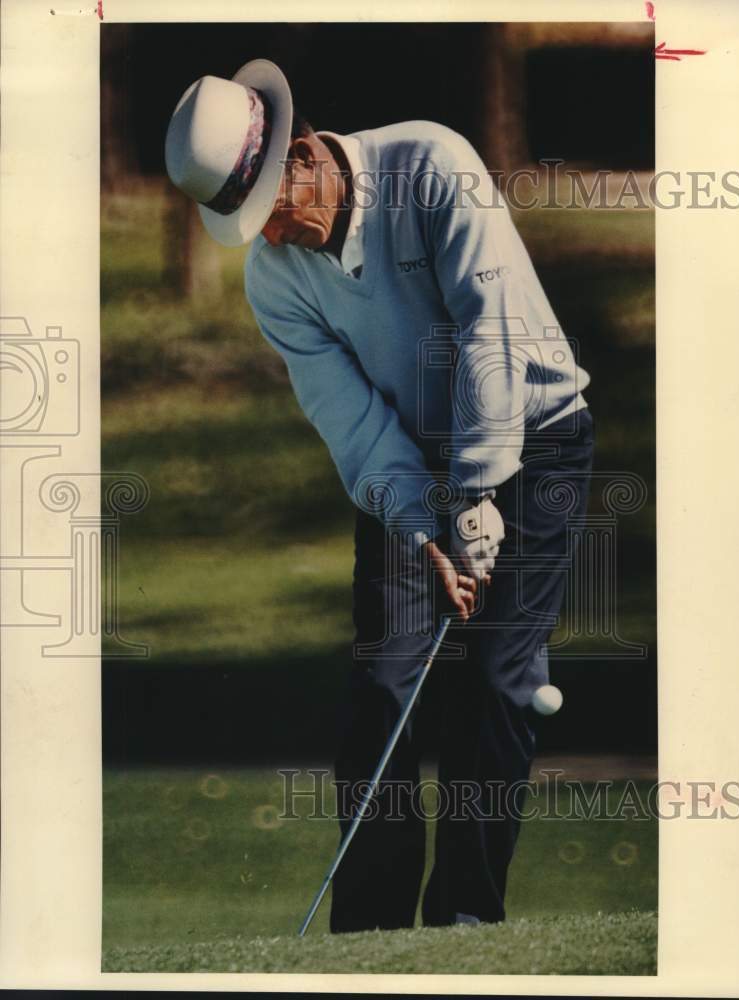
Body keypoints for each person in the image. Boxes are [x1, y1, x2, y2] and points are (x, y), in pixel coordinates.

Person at [165, 59, 594, 933]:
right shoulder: (273, 278)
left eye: (273, 212)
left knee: (495, 680)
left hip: (538, 436)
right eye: (250, 226)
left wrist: (479, 492)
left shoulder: (431, 166)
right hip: (405, 462)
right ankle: (368, 938)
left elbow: (490, 333)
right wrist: (424, 528)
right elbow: (352, 422)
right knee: (382, 686)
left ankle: (465, 922)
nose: (273, 237)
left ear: (304, 157)